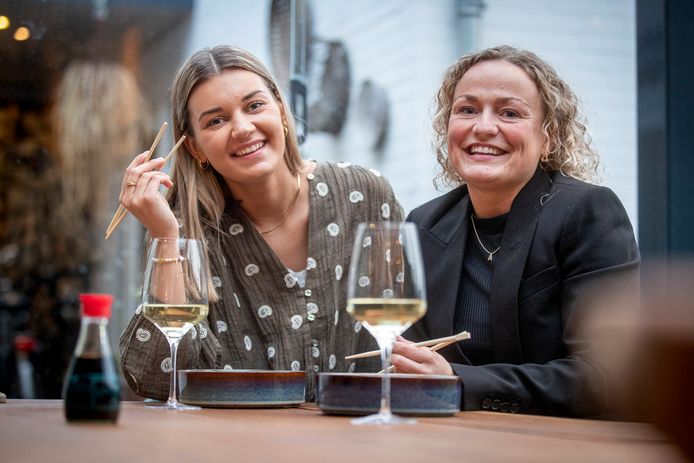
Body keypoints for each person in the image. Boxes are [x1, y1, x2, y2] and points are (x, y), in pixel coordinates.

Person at [118, 45, 402, 400]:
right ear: (195, 149)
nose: (242, 128)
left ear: (282, 112)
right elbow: (162, 379)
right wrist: (164, 235)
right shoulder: (183, 230)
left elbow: (407, 335)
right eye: (216, 120)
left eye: (254, 106)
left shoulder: (365, 195)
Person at [392, 45, 639, 417]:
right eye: (467, 110)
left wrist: (460, 382)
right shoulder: (424, 224)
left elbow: (607, 375)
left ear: (548, 137)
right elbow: (415, 360)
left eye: (509, 113)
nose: (484, 127)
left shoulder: (588, 211)